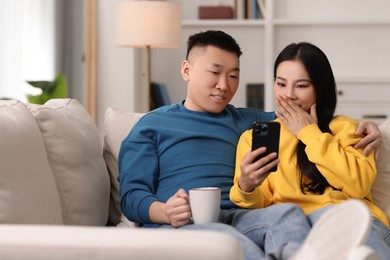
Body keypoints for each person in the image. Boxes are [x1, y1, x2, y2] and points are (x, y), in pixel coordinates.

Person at [118, 31, 382, 259]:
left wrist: (373, 127)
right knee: (230, 241)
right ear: (186, 69)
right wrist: (165, 211)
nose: (224, 85)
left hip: (240, 216)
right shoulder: (151, 126)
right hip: (185, 220)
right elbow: (131, 197)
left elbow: (304, 119)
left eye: (233, 76)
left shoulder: (249, 121)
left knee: (285, 214)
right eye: (215, 72)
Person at [230, 42, 390, 259]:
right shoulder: (253, 139)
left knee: (365, 245)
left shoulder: (347, 129)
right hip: (298, 228)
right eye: (281, 84)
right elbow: (264, 206)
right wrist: (246, 186)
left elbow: (358, 185)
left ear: (319, 89)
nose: (289, 95)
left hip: (353, 219)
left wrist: (309, 133)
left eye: (301, 86)